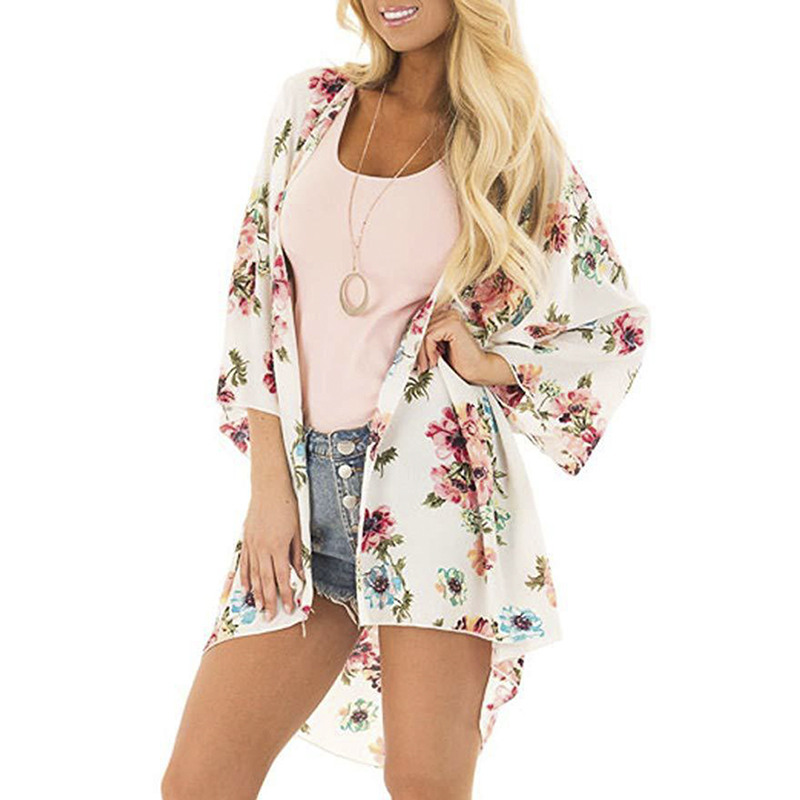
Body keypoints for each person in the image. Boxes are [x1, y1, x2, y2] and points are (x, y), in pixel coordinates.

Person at [162, 1, 651, 798]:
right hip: (304, 494)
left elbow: (610, 325)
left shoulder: (509, 142)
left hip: (435, 499)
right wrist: (267, 490)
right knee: (200, 783)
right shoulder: (310, 105)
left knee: (425, 785)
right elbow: (254, 295)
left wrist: (492, 360)